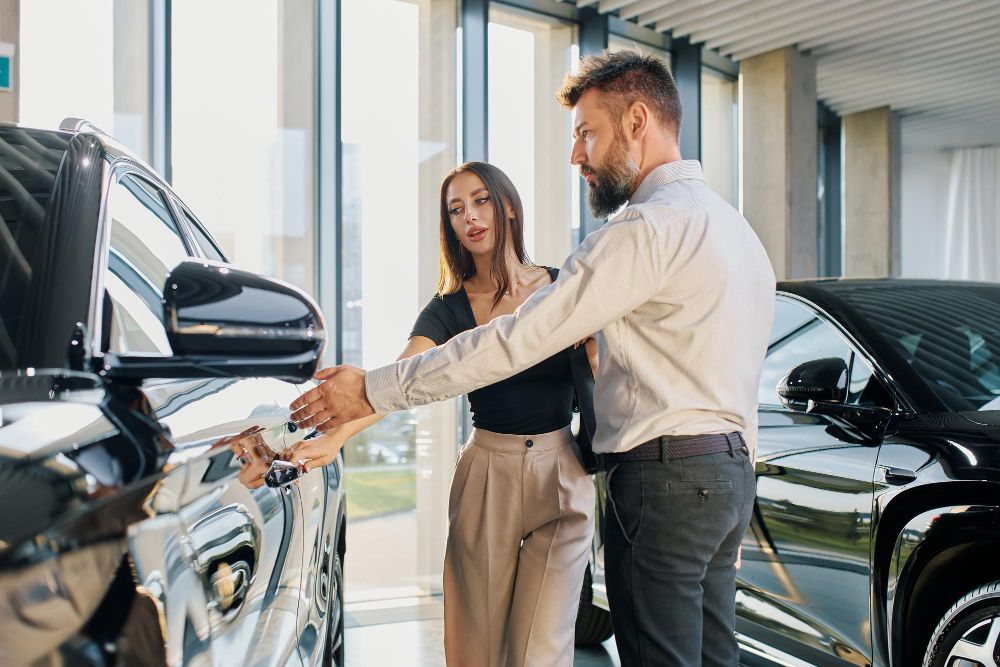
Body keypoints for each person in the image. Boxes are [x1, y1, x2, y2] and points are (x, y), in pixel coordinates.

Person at [291, 50, 776, 666]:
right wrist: (738, 482)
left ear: (636, 122)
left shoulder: (644, 231)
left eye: (585, 134)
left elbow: (515, 340)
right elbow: (743, 374)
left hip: (663, 481)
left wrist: (373, 389)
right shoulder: (739, 234)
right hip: (727, 477)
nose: (577, 156)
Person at [281, 161, 597, 667]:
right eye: (455, 210)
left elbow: (606, 368)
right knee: (477, 647)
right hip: (487, 475)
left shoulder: (560, 288)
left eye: (480, 201)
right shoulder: (448, 308)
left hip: (562, 475)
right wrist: (337, 437)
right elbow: (399, 378)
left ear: (508, 206)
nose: (469, 217)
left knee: (542, 651)